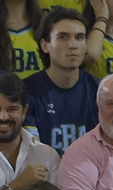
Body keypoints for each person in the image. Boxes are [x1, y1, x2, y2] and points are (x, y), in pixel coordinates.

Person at [23, 9, 98, 154]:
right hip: (44, 167)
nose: (73, 45)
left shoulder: (100, 90)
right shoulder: (26, 91)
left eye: (79, 37)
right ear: (45, 45)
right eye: (63, 37)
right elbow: (33, 153)